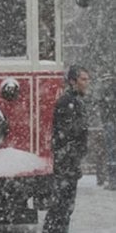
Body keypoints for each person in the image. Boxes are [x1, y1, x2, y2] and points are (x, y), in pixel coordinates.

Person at [43, 65, 91, 233]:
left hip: (70, 161)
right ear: (72, 81)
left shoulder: (76, 101)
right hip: (66, 162)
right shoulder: (67, 102)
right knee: (60, 206)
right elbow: (67, 133)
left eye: (87, 79)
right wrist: (71, 157)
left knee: (65, 206)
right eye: (83, 79)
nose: (87, 83)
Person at [99, 75, 116, 190]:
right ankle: (112, 180)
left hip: (110, 123)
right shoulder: (108, 94)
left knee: (111, 153)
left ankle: (112, 180)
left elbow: (103, 108)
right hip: (110, 122)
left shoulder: (105, 94)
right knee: (111, 153)